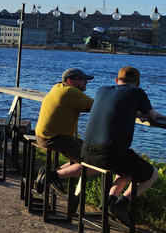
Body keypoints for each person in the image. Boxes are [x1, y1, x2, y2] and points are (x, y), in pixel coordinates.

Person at [81, 66, 166, 224]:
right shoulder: (136, 93)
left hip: (86, 152)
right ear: (138, 83)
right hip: (109, 156)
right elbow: (152, 116)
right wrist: (158, 115)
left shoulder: (101, 90)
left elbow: (118, 107)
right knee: (153, 174)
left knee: (127, 168)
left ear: (116, 80)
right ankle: (121, 205)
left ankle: (109, 203)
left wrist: (134, 111)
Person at [33, 68, 95, 194]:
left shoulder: (58, 87)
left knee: (88, 150)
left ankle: (51, 174)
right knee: (95, 161)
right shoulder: (70, 92)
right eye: (82, 79)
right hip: (55, 138)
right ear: (70, 81)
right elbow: (98, 106)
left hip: (44, 135)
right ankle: (52, 176)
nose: (86, 82)